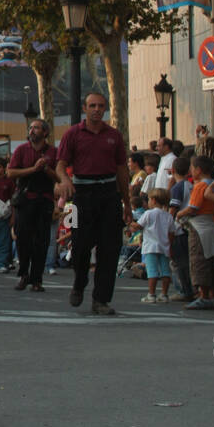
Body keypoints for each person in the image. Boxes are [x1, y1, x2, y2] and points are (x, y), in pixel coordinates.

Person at [55, 92, 131, 315]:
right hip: (81, 195)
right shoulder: (73, 134)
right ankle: (79, 283)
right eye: (92, 106)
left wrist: (127, 203)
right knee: (79, 245)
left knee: (110, 248)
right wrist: (65, 179)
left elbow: (122, 171)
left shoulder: (114, 136)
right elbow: (60, 165)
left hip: (109, 193)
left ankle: (101, 300)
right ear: (84, 108)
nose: (97, 109)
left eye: (101, 106)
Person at [8, 118, 59, 291]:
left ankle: (37, 279)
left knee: (42, 241)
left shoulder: (53, 152)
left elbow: (60, 177)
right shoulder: (22, 150)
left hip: (44, 200)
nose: (32, 130)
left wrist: (46, 169)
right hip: (25, 199)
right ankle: (24, 274)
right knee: (23, 239)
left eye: (36, 128)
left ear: (45, 132)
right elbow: (11, 172)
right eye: (31, 128)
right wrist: (33, 169)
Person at [178, 155, 214, 310]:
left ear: (198, 170)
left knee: (198, 261)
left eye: (192, 168)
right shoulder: (213, 184)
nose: (190, 171)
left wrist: (179, 214)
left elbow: (193, 207)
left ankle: (203, 296)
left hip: (198, 227)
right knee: (211, 262)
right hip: (211, 224)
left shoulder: (199, 186)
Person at [136, 187, 178, 304]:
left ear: (153, 200)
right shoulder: (168, 216)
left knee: (152, 271)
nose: (148, 202)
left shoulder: (148, 214)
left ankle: (151, 294)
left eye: (149, 199)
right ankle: (164, 294)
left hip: (150, 247)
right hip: (164, 247)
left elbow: (139, 226)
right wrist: (168, 245)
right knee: (165, 271)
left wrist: (131, 225)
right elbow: (172, 233)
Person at [166, 155, 194, 302]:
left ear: (173, 169)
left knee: (178, 262)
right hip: (189, 227)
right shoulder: (189, 185)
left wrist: (167, 226)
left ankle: (184, 290)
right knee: (186, 260)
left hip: (179, 229)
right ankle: (189, 288)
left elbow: (173, 209)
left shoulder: (178, 187)